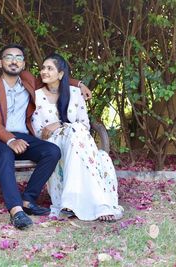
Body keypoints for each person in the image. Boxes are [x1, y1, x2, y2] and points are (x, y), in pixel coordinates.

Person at [0, 44, 91, 230]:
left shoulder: (28, 80)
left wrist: (79, 84)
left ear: (23, 64)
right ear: (0, 62)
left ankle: (28, 199)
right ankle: (16, 211)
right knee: (5, 154)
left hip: (23, 137)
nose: (14, 61)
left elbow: (54, 77)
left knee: (52, 151)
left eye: (19, 58)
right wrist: (10, 140)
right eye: (9, 57)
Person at [31, 53, 123, 222]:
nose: (44, 71)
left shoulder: (74, 93)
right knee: (76, 132)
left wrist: (60, 124)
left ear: (60, 74)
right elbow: (40, 132)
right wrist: (62, 129)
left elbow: (85, 125)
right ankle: (98, 203)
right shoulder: (36, 96)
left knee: (77, 133)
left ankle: (75, 200)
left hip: (77, 142)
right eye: (43, 68)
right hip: (52, 145)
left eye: (49, 68)